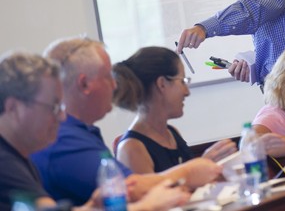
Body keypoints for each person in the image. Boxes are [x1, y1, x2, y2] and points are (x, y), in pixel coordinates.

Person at [31, 37, 221, 206]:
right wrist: (190, 171)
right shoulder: (65, 140)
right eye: (107, 77)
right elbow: (133, 190)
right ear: (84, 84)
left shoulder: (82, 133)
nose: (115, 85)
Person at [0, 52, 188, 211]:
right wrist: (146, 206)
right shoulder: (5, 162)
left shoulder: (18, 156)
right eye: (53, 107)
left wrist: (91, 206)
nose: (61, 117)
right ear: (13, 108)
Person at [112, 46, 237, 174]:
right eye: (182, 81)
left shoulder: (171, 133)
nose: (187, 92)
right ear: (162, 84)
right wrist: (201, 165)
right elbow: (160, 193)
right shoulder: (131, 149)